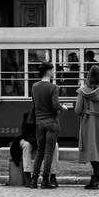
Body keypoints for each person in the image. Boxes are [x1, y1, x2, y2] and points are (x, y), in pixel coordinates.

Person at [75, 61, 99, 190]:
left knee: (92, 150)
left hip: (87, 122)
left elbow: (77, 110)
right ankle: (98, 178)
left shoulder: (82, 91)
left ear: (89, 76)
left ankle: (97, 178)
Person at [30, 60, 61, 189]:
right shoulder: (54, 88)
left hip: (39, 122)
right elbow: (55, 105)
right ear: (48, 71)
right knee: (49, 152)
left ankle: (33, 180)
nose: (53, 72)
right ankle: (45, 181)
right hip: (51, 123)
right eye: (52, 70)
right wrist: (62, 107)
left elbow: (34, 104)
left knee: (40, 151)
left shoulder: (34, 87)